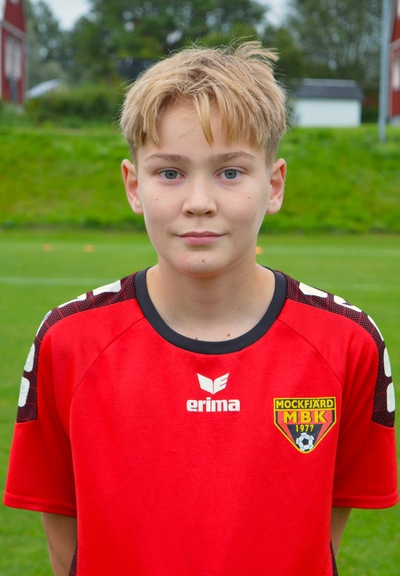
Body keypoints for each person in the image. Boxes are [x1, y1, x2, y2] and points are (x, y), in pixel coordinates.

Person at [4, 41, 398, 576]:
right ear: (133, 186)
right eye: (170, 173)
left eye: (230, 172)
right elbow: (65, 536)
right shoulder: (68, 341)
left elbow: (315, 535)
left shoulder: (347, 343)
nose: (198, 202)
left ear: (274, 185)